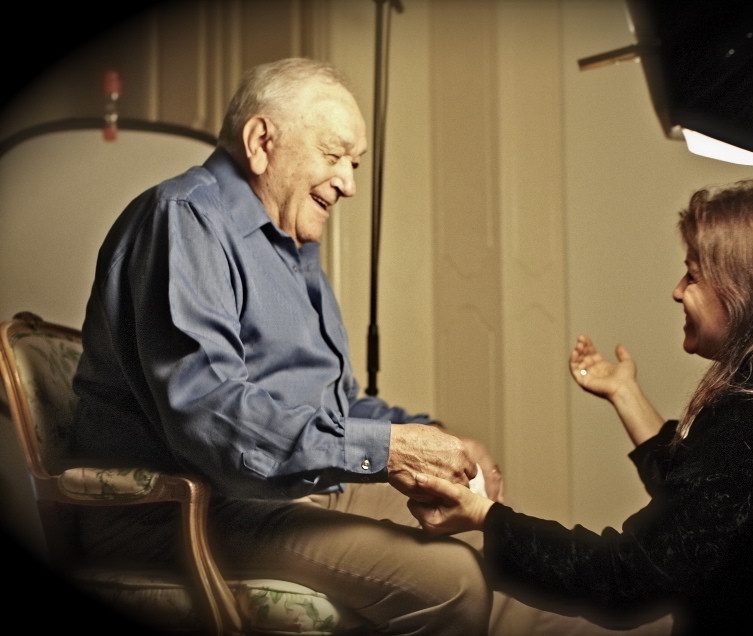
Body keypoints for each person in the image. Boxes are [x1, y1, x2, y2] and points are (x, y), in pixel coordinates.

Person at [68, 57, 505, 635]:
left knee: (497, 537)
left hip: (276, 494)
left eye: (355, 163)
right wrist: (391, 450)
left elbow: (335, 409)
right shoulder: (186, 219)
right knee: (455, 581)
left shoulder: (292, 247)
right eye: (335, 156)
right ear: (261, 142)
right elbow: (214, 418)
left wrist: (437, 443)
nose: (349, 183)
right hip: (182, 508)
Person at [409, 178, 753, 635]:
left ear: (751, 291)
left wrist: (484, 516)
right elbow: (709, 503)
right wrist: (625, 393)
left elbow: (631, 575)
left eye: (692, 274)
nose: (676, 290)